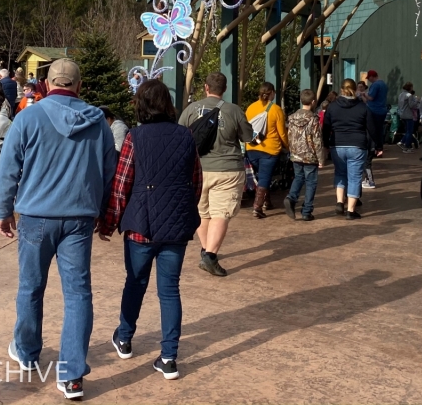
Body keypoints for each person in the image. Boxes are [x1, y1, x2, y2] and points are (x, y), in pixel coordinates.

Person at [0, 58, 116, 400]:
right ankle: (72, 375)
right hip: (79, 219)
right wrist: (103, 213)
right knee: (78, 294)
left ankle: (28, 352)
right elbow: (108, 174)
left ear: (47, 84)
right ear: (79, 86)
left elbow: (7, 171)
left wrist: (3, 211)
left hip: (35, 216)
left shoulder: (28, 117)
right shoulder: (99, 123)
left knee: (31, 287)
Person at [97, 78, 201, 381]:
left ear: (140, 105)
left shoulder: (134, 137)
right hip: (175, 228)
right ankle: (169, 357)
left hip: (141, 226)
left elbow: (121, 184)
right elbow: (196, 180)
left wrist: (109, 221)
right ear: (167, 104)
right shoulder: (186, 136)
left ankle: (125, 338)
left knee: (135, 282)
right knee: (170, 291)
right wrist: (182, 211)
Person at [178, 72, 253, 277]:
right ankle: (210, 256)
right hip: (228, 170)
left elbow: (180, 136)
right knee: (221, 213)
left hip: (197, 169)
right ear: (225, 89)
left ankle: (206, 250)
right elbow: (247, 137)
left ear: (206, 87)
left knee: (202, 212)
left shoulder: (191, 109)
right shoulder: (234, 110)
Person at [322, 79, 370, 219]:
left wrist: (325, 144)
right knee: (354, 178)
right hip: (357, 144)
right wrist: (377, 145)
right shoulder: (362, 107)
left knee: (340, 173)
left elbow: (326, 127)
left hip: (337, 144)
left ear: (341, 89)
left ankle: (339, 202)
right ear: (355, 90)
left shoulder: (332, 107)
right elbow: (371, 127)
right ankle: (350, 210)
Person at [244, 82, 288, 218]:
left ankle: (267, 202)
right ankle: (257, 207)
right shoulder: (276, 110)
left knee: (263, 175)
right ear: (272, 93)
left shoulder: (250, 108)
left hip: (251, 148)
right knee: (264, 176)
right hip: (270, 150)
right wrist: (288, 146)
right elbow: (282, 133)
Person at [284, 89, 326, 221]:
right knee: (311, 182)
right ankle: (306, 211)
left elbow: (289, 136)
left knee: (298, 177)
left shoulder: (291, 118)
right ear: (313, 102)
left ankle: (291, 197)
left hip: (296, 155)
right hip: (310, 156)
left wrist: (292, 151)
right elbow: (317, 141)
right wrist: (321, 158)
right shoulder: (313, 119)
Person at [360, 69, 388, 176]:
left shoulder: (375, 85)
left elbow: (370, 97)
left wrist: (363, 94)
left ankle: (373, 148)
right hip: (382, 110)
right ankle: (379, 148)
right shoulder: (384, 84)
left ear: (372, 77)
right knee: (379, 129)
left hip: (373, 110)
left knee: (372, 130)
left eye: (369, 78)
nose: (369, 81)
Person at [397, 82, 420, 152]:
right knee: (410, 131)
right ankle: (406, 146)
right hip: (409, 115)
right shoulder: (409, 95)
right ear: (410, 87)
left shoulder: (401, 95)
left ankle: (402, 142)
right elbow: (411, 105)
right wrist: (416, 100)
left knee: (407, 131)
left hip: (402, 114)